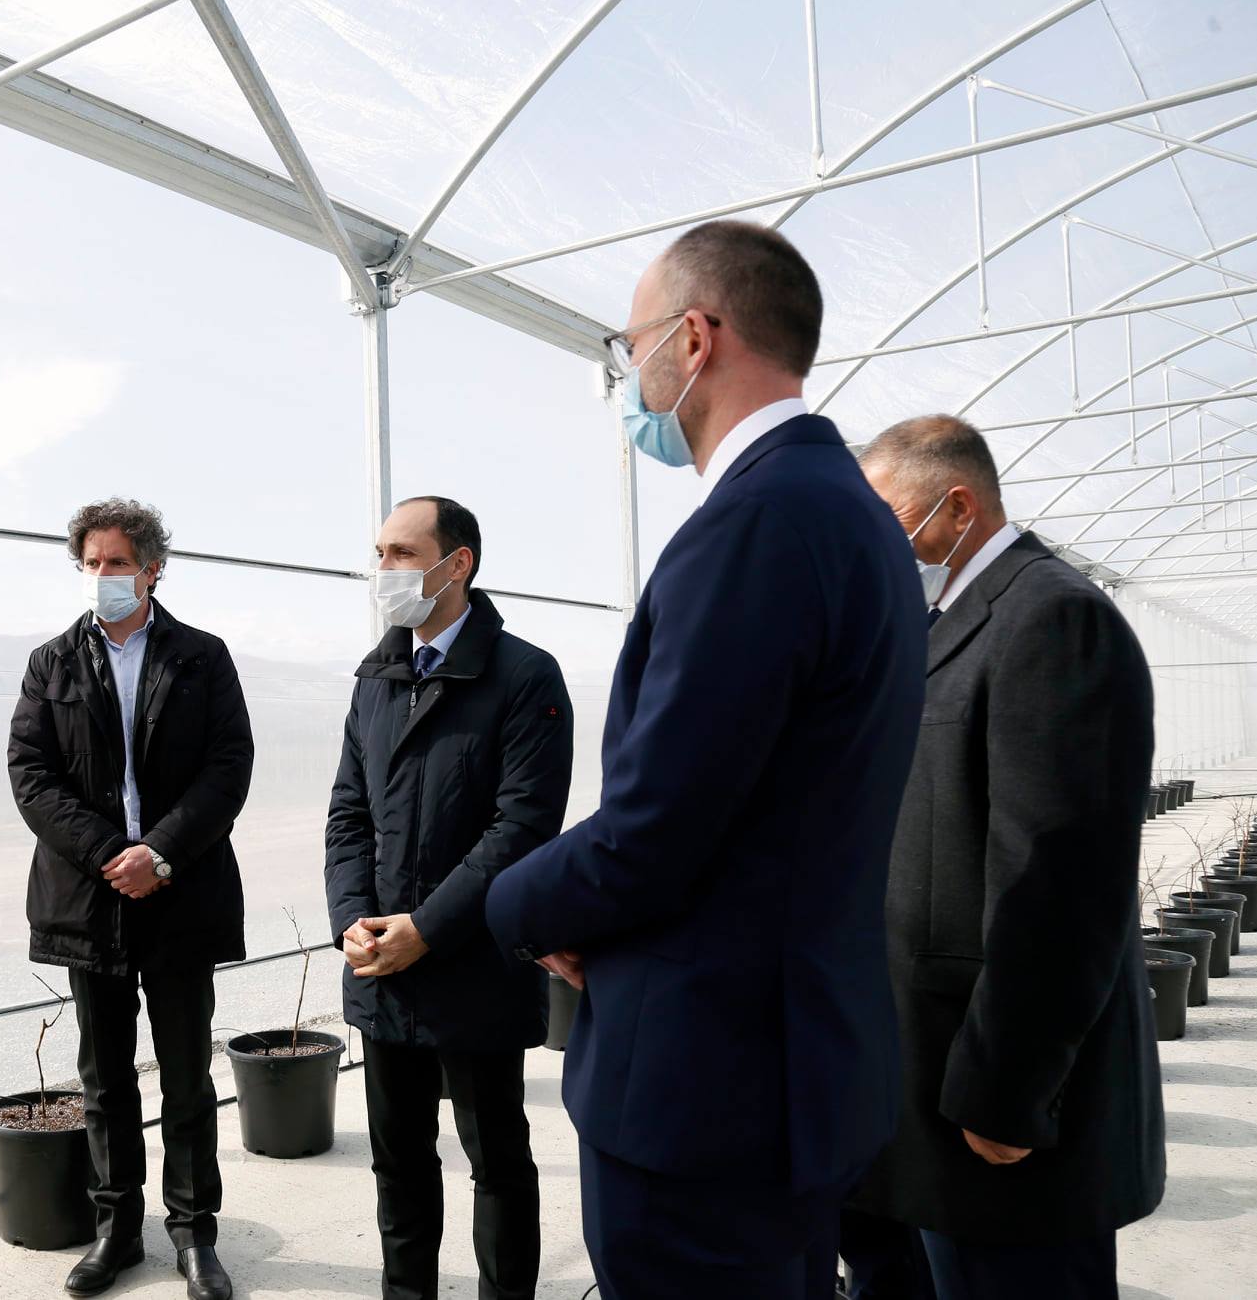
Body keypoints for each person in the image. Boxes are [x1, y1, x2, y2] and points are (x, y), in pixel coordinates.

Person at [484, 220, 927, 1297]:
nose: (628, 375)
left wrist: (513, 907)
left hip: (706, 1084)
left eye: (630, 344)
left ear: (693, 337)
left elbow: (655, 826)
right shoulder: (854, 517)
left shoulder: (757, 521)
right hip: (794, 1059)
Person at [840, 416, 1161, 1300]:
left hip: (988, 1101)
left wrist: (1008, 1090)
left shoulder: (1051, 616)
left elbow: (1059, 881)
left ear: (956, 506)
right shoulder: (940, 621)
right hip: (914, 1082)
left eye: (886, 518)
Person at [325, 495, 574, 1300]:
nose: (383, 569)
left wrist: (427, 927)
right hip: (381, 963)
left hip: (473, 962)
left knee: (495, 1156)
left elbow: (522, 825)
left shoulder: (522, 675)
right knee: (397, 1160)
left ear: (455, 563)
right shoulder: (376, 677)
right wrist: (352, 922)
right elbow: (348, 813)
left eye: (401, 553)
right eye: (379, 552)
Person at [7, 499, 254, 1300]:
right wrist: (110, 854)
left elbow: (228, 766)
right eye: (91, 562)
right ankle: (116, 1228)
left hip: (179, 891)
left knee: (186, 1074)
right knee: (104, 1077)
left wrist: (161, 852)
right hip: (91, 897)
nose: (103, 574)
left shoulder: (201, 657)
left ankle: (194, 1232)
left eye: (117, 561)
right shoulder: (51, 663)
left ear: (153, 568)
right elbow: (31, 774)